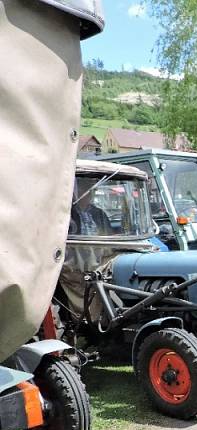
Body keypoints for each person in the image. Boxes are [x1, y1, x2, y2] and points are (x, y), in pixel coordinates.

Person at [0, 0, 104, 361]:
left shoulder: (99, 219)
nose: (87, 197)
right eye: (84, 190)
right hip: (71, 273)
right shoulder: (72, 216)